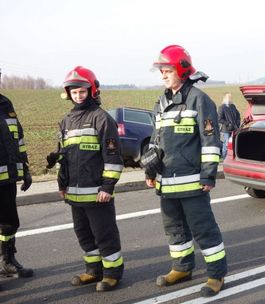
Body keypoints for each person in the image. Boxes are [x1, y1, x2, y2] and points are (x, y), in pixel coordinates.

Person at [143, 45, 227, 297]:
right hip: (166, 183)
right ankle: (182, 268)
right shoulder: (162, 102)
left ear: (181, 70)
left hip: (192, 183)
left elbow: (210, 142)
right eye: (162, 71)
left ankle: (216, 275)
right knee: (174, 229)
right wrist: (150, 171)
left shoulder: (199, 100)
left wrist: (208, 174)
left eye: (167, 70)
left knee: (203, 229)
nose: (163, 76)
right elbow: (155, 141)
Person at [48, 66, 124, 292]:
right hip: (74, 193)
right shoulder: (67, 121)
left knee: (105, 234)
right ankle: (94, 271)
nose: (78, 96)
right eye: (74, 92)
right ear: (68, 94)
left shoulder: (102, 119)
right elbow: (63, 156)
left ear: (92, 91)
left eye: (82, 91)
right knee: (84, 235)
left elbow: (113, 157)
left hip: (98, 194)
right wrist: (62, 184)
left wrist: (107, 187)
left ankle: (112, 274)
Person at [0, 68, 33, 281]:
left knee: (9, 222)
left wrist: (25, 168)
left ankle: (7, 261)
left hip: (7, 177)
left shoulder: (5, 104)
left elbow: (17, 137)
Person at [217, 92, 241, 159]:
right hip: (226, 130)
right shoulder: (221, 107)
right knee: (226, 145)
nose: (229, 99)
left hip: (234, 129)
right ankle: (224, 158)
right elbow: (219, 119)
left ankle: (231, 158)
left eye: (230, 97)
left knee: (232, 144)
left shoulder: (233, 106)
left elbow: (238, 115)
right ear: (225, 98)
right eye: (228, 97)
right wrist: (228, 123)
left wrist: (238, 123)